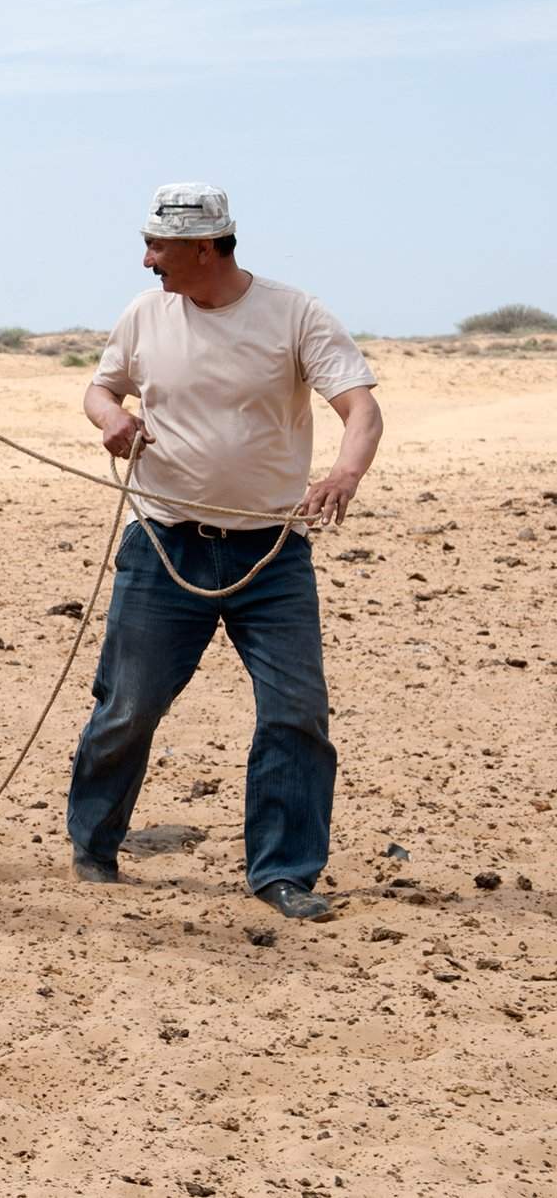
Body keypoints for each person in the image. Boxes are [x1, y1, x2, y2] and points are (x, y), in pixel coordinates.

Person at [68, 183, 384, 921]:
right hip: (164, 541)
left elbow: (361, 407)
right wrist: (111, 418)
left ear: (206, 247)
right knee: (128, 706)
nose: (147, 260)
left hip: (271, 552)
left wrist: (345, 472)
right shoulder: (143, 314)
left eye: (159, 247)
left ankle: (284, 872)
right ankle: (94, 845)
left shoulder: (295, 313)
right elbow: (98, 389)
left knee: (296, 712)